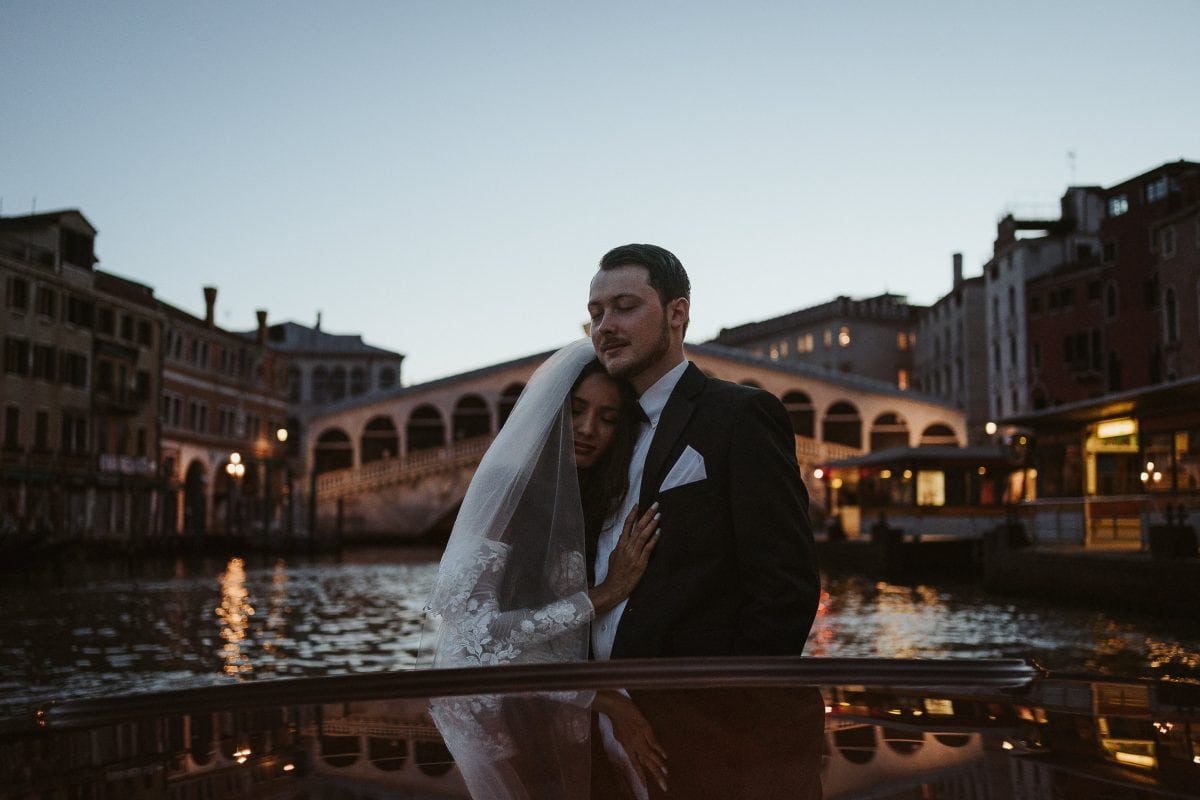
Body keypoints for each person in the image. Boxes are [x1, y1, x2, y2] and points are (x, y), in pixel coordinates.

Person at [587, 243, 820, 659]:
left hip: (693, 706)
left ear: (677, 313)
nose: (604, 326)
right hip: (596, 705)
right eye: (596, 313)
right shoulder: (602, 428)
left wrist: (726, 705)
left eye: (624, 307)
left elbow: (786, 586)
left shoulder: (741, 415)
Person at [427, 338, 660, 668]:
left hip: (564, 700)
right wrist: (608, 592)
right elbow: (476, 631)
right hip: (500, 701)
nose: (588, 429)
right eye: (576, 411)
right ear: (552, 410)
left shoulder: (600, 496)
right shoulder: (508, 487)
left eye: (608, 419)